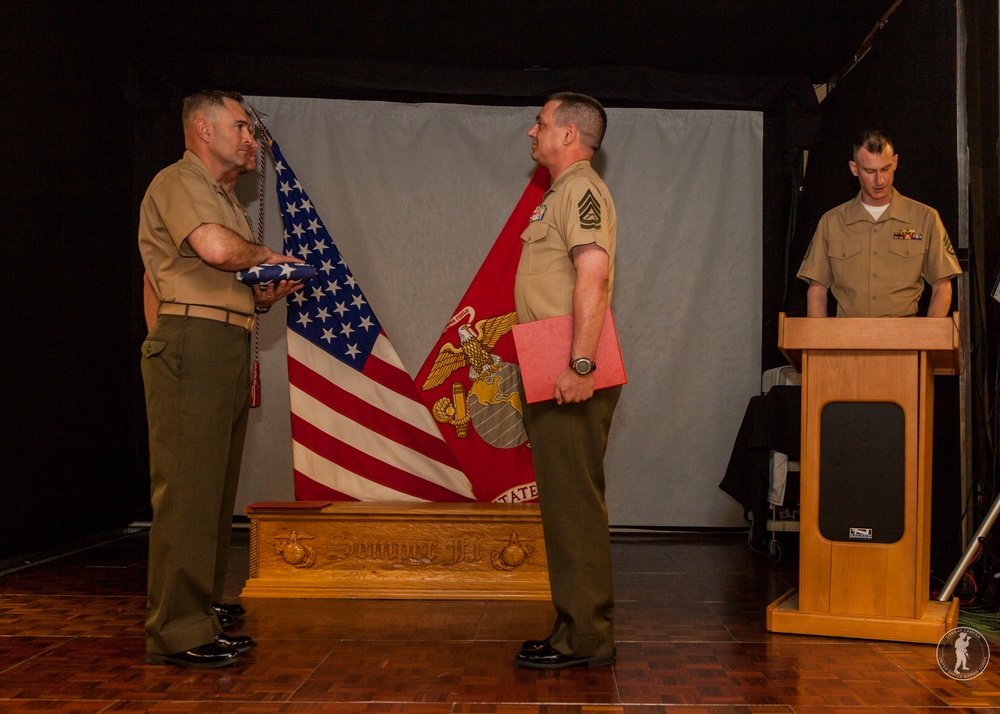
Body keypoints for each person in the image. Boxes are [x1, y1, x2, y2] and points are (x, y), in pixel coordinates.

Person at [138, 90, 304, 668]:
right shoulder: (179, 181)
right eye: (240, 127)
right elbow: (213, 250)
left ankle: (200, 604)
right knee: (188, 489)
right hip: (195, 343)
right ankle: (179, 628)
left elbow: (211, 271)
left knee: (210, 485)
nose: (250, 139)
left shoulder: (222, 198)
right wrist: (267, 256)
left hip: (222, 338)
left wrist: (260, 291)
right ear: (203, 130)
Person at [513, 92, 620, 669]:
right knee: (563, 503)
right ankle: (572, 627)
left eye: (542, 123)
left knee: (574, 503)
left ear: (570, 135)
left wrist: (581, 364)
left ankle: (586, 638)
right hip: (546, 357)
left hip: (567, 363)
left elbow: (593, 275)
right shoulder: (557, 193)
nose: (532, 131)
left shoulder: (580, 189)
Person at [797, 129, 961, 317]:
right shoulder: (832, 222)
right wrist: (820, 343)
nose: (879, 180)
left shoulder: (925, 218)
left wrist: (930, 341)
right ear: (854, 168)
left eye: (885, 168)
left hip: (904, 340)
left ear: (895, 163)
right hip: (847, 341)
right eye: (870, 171)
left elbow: (942, 286)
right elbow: (817, 291)